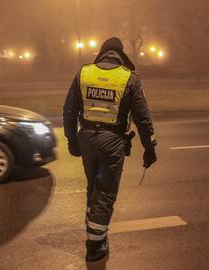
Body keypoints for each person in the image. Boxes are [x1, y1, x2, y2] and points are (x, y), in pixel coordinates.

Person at [63, 37, 157, 263]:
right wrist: (149, 147)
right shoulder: (129, 78)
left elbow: (68, 111)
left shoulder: (83, 73)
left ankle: (93, 229)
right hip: (112, 141)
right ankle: (95, 246)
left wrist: (72, 141)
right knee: (105, 191)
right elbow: (142, 119)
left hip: (86, 138)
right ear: (120, 55)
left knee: (93, 187)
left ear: (103, 53)